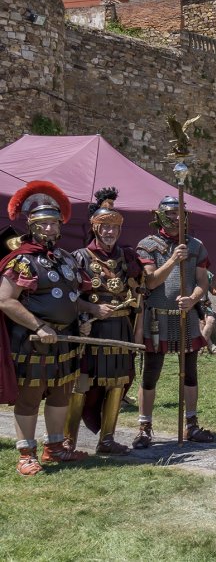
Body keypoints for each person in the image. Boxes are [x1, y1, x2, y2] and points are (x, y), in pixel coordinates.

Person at [0, 181, 108, 474]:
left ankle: (55, 448)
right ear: (32, 225)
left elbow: (74, 297)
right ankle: (26, 454)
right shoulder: (22, 260)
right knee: (31, 396)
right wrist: (40, 326)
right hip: (32, 339)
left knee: (62, 392)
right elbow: (6, 301)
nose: (49, 228)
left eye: (54, 223)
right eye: (43, 223)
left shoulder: (66, 258)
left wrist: (88, 312)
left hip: (65, 339)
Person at [65, 188, 143, 455]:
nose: (109, 232)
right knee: (82, 383)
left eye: (114, 227)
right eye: (104, 227)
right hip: (90, 329)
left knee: (117, 382)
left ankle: (107, 440)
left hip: (121, 328)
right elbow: (69, 298)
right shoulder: (80, 257)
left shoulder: (127, 257)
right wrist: (93, 308)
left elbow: (141, 289)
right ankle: (67, 440)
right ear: (95, 228)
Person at [133, 195, 214, 448]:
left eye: (180, 214)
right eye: (171, 214)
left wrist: (192, 298)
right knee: (151, 374)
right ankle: (144, 427)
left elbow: (203, 282)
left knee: (190, 374)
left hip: (185, 317)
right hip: (157, 317)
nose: (176, 219)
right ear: (160, 216)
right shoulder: (147, 245)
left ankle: (191, 424)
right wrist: (172, 260)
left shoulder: (196, 245)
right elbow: (151, 282)